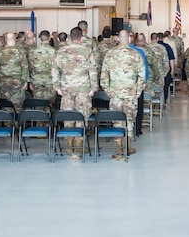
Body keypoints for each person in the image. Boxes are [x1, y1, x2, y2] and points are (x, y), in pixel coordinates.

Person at [99, 30, 146, 158]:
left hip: (115, 94)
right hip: (131, 94)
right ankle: (128, 147)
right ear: (129, 40)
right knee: (129, 120)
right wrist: (138, 91)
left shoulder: (110, 54)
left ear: (118, 39)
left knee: (117, 121)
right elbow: (142, 75)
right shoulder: (136, 54)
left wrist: (108, 90)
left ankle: (119, 147)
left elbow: (104, 76)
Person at [51, 26, 98, 119]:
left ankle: (68, 133)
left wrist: (57, 88)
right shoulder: (88, 51)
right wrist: (93, 88)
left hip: (66, 88)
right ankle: (81, 133)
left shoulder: (61, 51)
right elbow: (93, 71)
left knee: (68, 117)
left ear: (70, 38)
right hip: (83, 89)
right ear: (82, 38)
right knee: (82, 118)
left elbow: (55, 70)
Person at [0, 32, 30, 112]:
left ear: (5, 40)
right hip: (17, 83)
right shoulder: (20, 52)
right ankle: (19, 123)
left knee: (6, 107)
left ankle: (8, 124)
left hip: (3, 83)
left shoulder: (0, 52)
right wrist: (26, 82)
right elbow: (25, 67)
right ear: (15, 39)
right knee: (18, 106)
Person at [29, 30, 58, 104]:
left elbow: (29, 67)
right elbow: (57, 67)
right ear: (49, 38)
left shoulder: (33, 51)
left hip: (36, 80)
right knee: (50, 104)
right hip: (50, 80)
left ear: (40, 38)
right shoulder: (53, 51)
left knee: (38, 103)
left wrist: (30, 82)